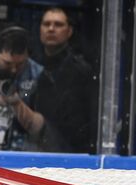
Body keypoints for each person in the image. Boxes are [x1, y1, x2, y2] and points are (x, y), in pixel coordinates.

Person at [30, 6, 96, 153]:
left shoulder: (82, 71)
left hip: (70, 151)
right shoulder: (31, 66)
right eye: (46, 24)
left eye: (58, 24)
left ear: (69, 31)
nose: (51, 29)